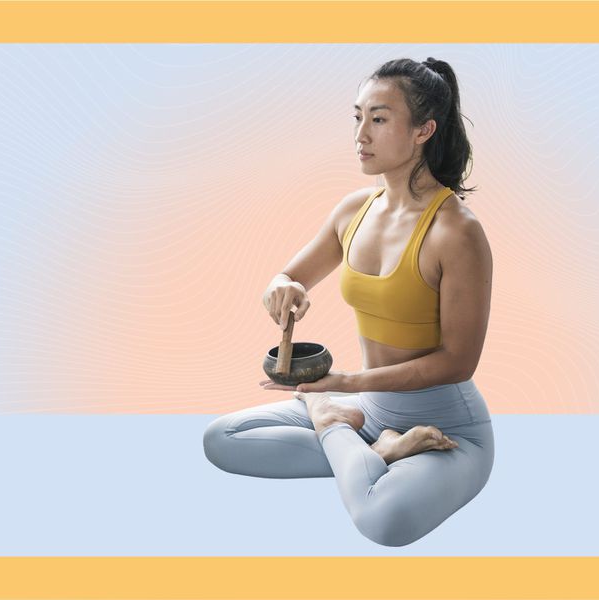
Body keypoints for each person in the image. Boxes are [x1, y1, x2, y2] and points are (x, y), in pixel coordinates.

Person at [203, 57, 494, 547]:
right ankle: (374, 445)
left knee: (384, 521)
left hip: (448, 428)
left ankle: (337, 426)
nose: (361, 133)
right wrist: (283, 284)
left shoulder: (457, 232)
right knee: (220, 440)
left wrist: (339, 391)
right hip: (369, 411)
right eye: (357, 117)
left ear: (424, 130)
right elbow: (292, 274)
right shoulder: (354, 210)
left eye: (378, 119)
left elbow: (458, 362)